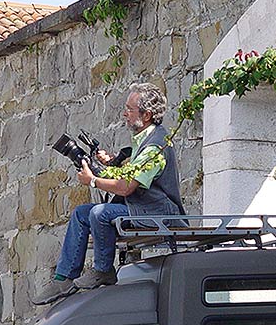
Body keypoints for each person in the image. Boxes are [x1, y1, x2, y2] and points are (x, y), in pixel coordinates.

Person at [33, 82, 185, 305]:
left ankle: (103, 269)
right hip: (141, 207)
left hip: (159, 211)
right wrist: (111, 164)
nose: (124, 113)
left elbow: (126, 187)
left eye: (130, 109)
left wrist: (92, 180)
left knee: (100, 213)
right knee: (81, 213)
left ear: (147, 115)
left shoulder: (155, 146)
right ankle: (64, 278)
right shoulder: (144, 140)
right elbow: (131, 175)